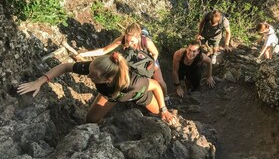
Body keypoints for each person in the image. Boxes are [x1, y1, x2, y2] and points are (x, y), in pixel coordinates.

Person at [17, 52, 175, 124]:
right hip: (110, 96)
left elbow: (155, 85)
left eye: (93, 76)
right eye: (90, 72)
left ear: (108, 79)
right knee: (90, 121)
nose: (88, 76)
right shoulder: (96, 68)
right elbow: (65, 67)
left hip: (140, 96)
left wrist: (164, 110)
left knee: (162, 119)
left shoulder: (135, 83)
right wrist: (39, 81)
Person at [75, 23, 172, 107]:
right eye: (127, 41)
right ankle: (133, 94)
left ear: (138, 38)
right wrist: (84, 54)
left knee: (159, 81)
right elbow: (105, 50)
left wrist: (150, 66)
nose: (129, 43)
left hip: (148, 60)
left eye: (132, 41)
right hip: (133, 61)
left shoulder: (146, 41)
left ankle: (165, 97)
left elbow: (155, 53)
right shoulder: (121, 40)